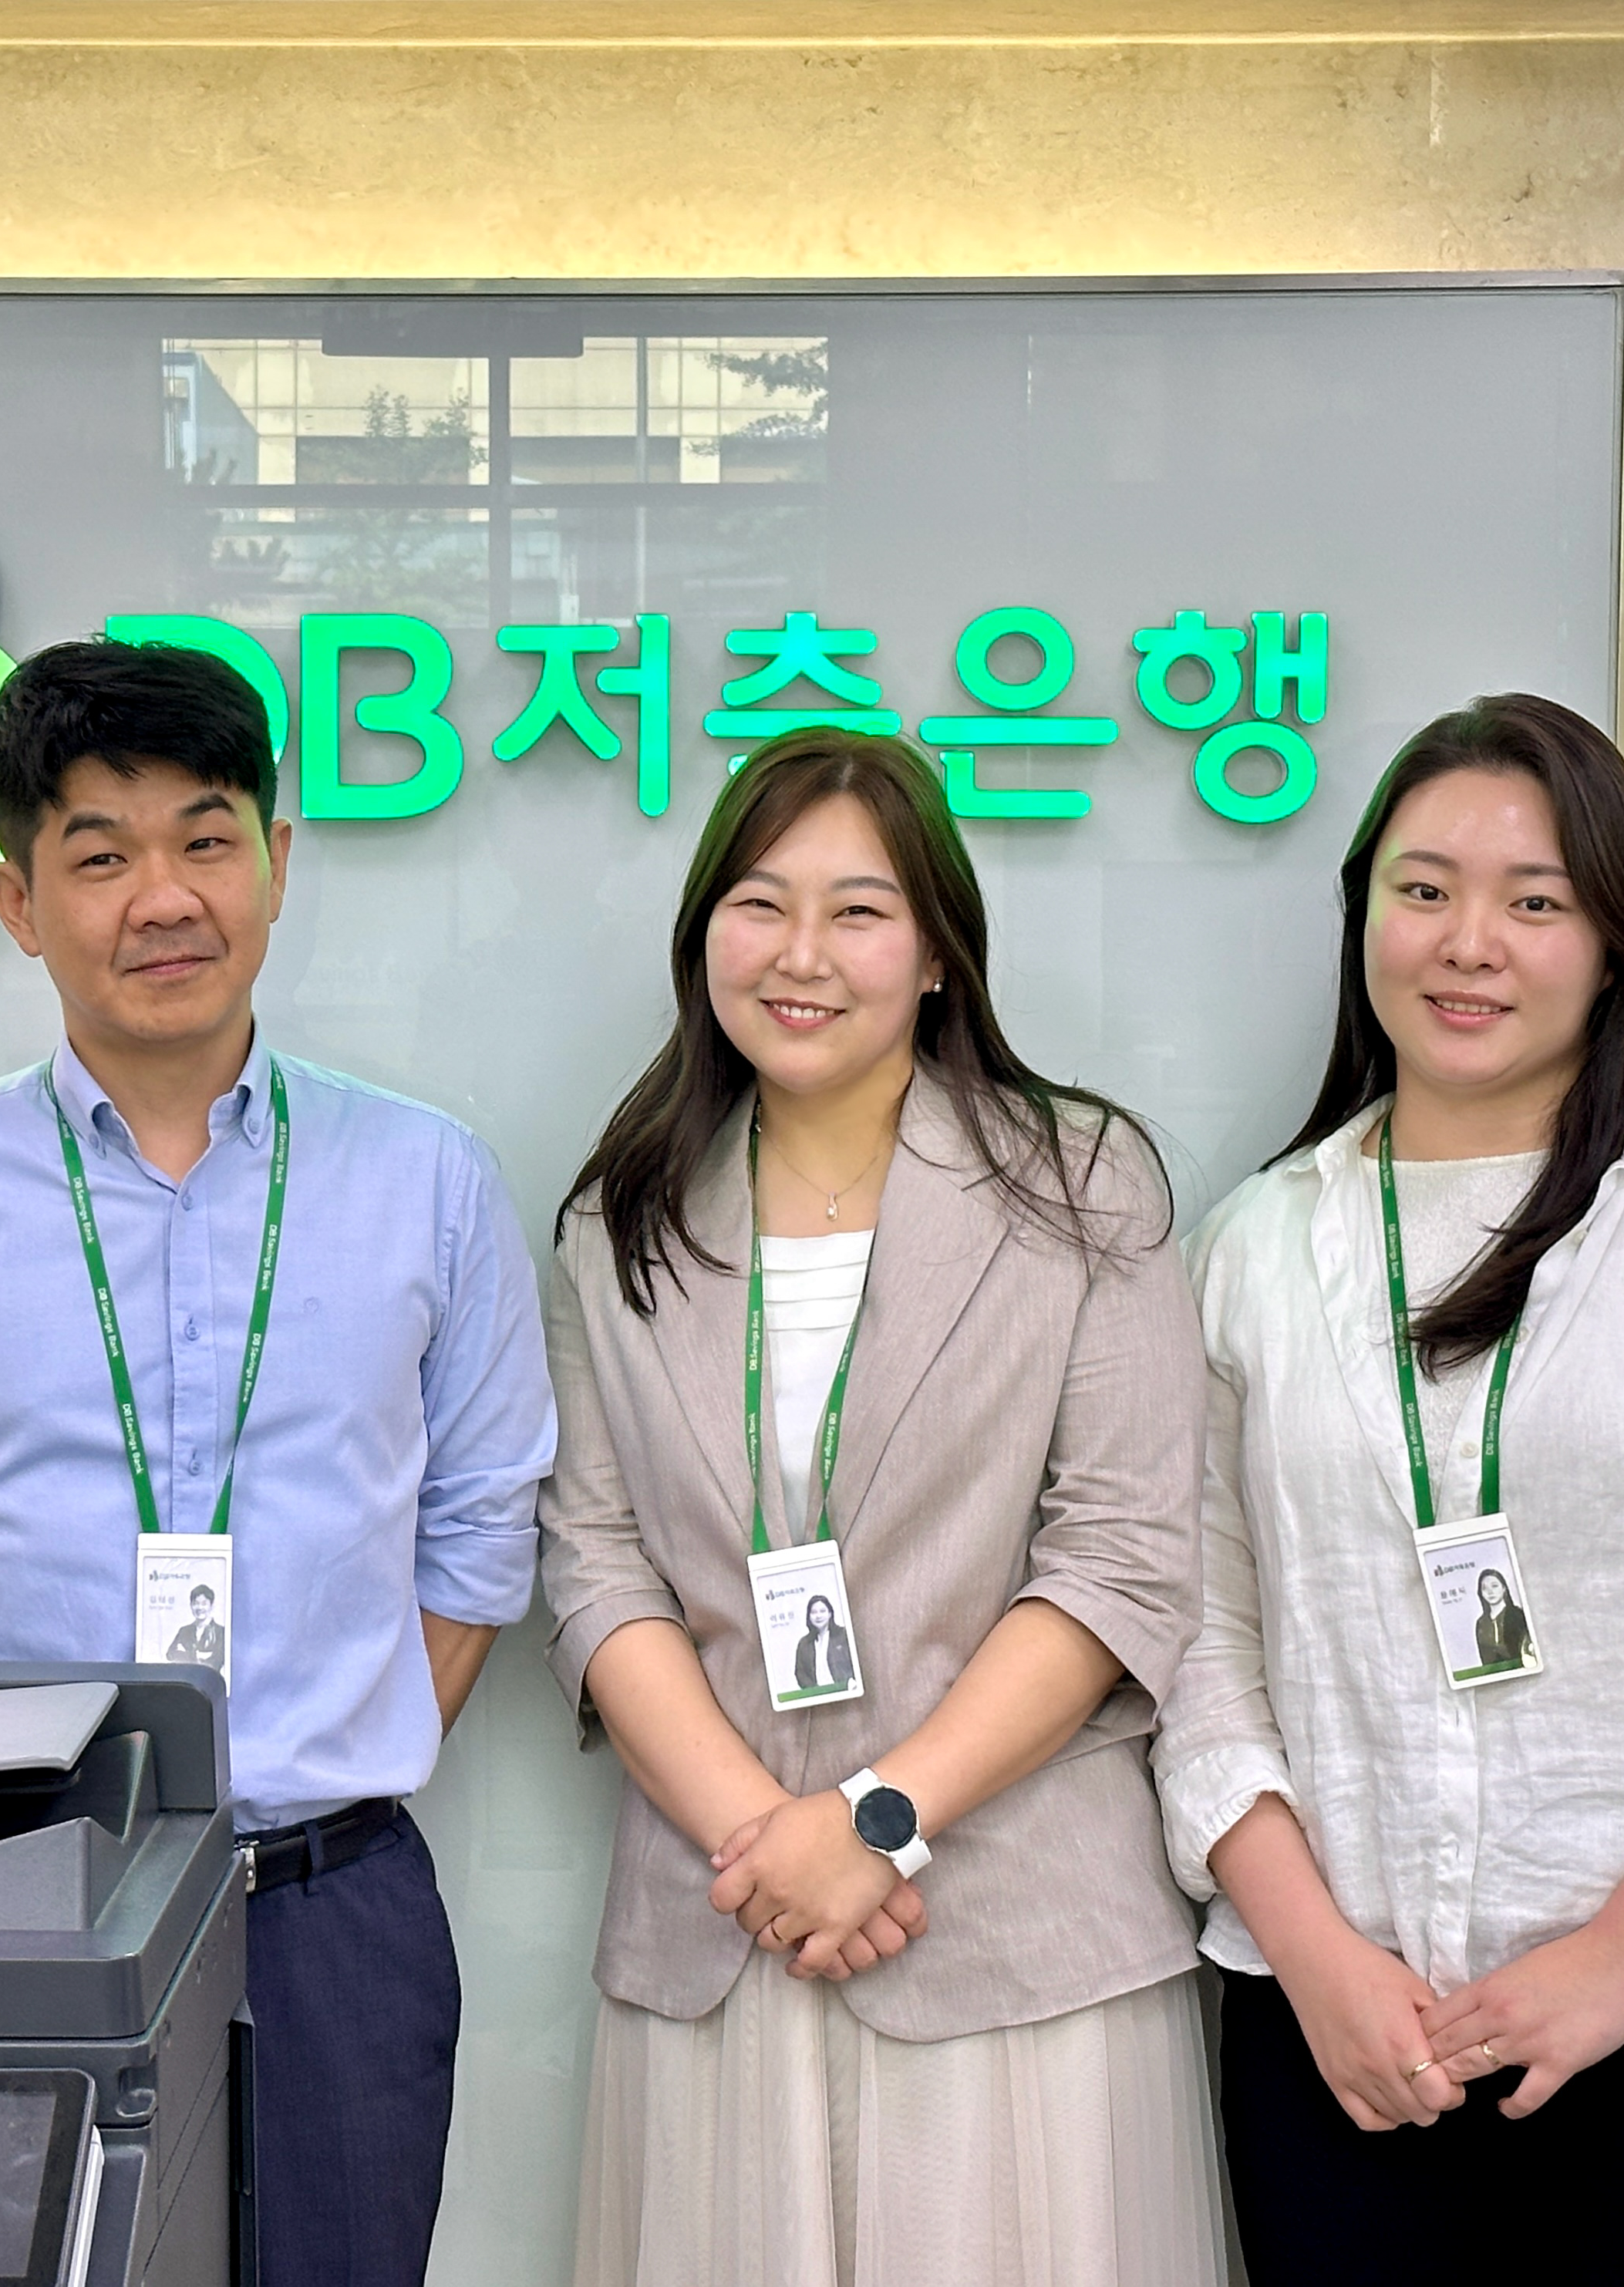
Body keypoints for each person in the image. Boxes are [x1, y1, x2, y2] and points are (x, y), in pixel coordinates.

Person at [0, 636, 554, 2287]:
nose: (165, 898)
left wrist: (320, 1751)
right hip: (11, 1894)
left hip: (335, 1911)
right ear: (14, 900)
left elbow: (484, 1527)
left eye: (206, 839)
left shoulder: (428, 1181)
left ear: (278, 861)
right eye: (100, 856)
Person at [1152, 694, 1624, 2287]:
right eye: (1424, 889)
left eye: (1535, 900)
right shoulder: (1252, 1249)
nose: (1469, 943)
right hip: (1346, 2050)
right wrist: (1312, 1955)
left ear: (1618, 942)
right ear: (1363, 912)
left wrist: (1621, 1957)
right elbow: (1196, 1635)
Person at [539, 728, 1225, 2287]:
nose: (801, 954)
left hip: (1009, 1938)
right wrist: (773, 1848)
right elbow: (593, 1564)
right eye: (759, 904)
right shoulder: (617, 1220)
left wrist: (876, 1823)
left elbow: (1119, 1558)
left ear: (935, 955)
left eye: (857, 911)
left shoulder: (1080, 1185)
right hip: (730, 1925)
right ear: (703, 933)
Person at [792, 1594, 853, 1693]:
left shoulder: (843, 1635)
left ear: (830, 1614)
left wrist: (850, 1683)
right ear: (809, 1617)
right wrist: (814, 1691)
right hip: (818, 1695)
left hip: (846, 1690)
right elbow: (800, 1673)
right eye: (814, 1612)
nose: (818, 1616)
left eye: (823, 1611)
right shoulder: (804, 1644)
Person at [1471, 1569, 1530, 1670]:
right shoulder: (1481, 1623)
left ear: (1504, 1588)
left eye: (1494, 1586)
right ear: (1481, 1593)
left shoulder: (1518, 1615)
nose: (1490, 1592)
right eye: (1485, 1588)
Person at [167, 1581, 227, 1670]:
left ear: (212, 1606)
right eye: (195, 1603)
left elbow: (215, 1663)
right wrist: (196, 1656)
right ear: (191, 1605)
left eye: (204, 1604)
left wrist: (184, 1654)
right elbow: (170, 1655)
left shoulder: (221, 1632)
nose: (199, 1608)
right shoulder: (184, 1631)